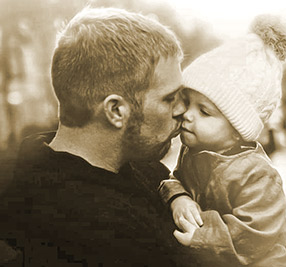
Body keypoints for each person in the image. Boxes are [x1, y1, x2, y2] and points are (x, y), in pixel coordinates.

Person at [0, 7, 197, 266]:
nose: (182, 109)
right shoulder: (93, 229)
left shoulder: (140, 167)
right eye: (169, 98)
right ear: (116, 110)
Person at [159, 15, 286, 266]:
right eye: (187, 102)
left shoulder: (257, 173)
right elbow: (174, 179)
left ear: (237, 130)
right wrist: (178, 198)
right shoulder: (194, 151)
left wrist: (202, 235)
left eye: (204, 112)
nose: (186, 114)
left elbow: (255, 234)